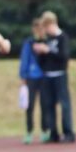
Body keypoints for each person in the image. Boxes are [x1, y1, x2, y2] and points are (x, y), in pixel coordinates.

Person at [34, 11, 75, 143]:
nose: (45, 30)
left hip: (60, 75)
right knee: (48, 105)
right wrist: (40, 52)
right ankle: (53, 132)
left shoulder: (63, 38)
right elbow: (41, 62)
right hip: (47, 75)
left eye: (46, 27)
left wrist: (49, 51)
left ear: (52, 24)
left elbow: (64, 57)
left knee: (64, 104)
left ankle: (68, 132)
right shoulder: (47, 39)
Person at [19, 16, 45, 144]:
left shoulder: (47, 42)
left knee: (45, 105)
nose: (39, 30)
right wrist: (23, 76)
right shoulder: (29, 43)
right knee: (30, 106)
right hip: (32, 77)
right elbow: (24, 59)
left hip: (45, 77)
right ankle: (29, 131)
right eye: (37, 27)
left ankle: (46, 130)